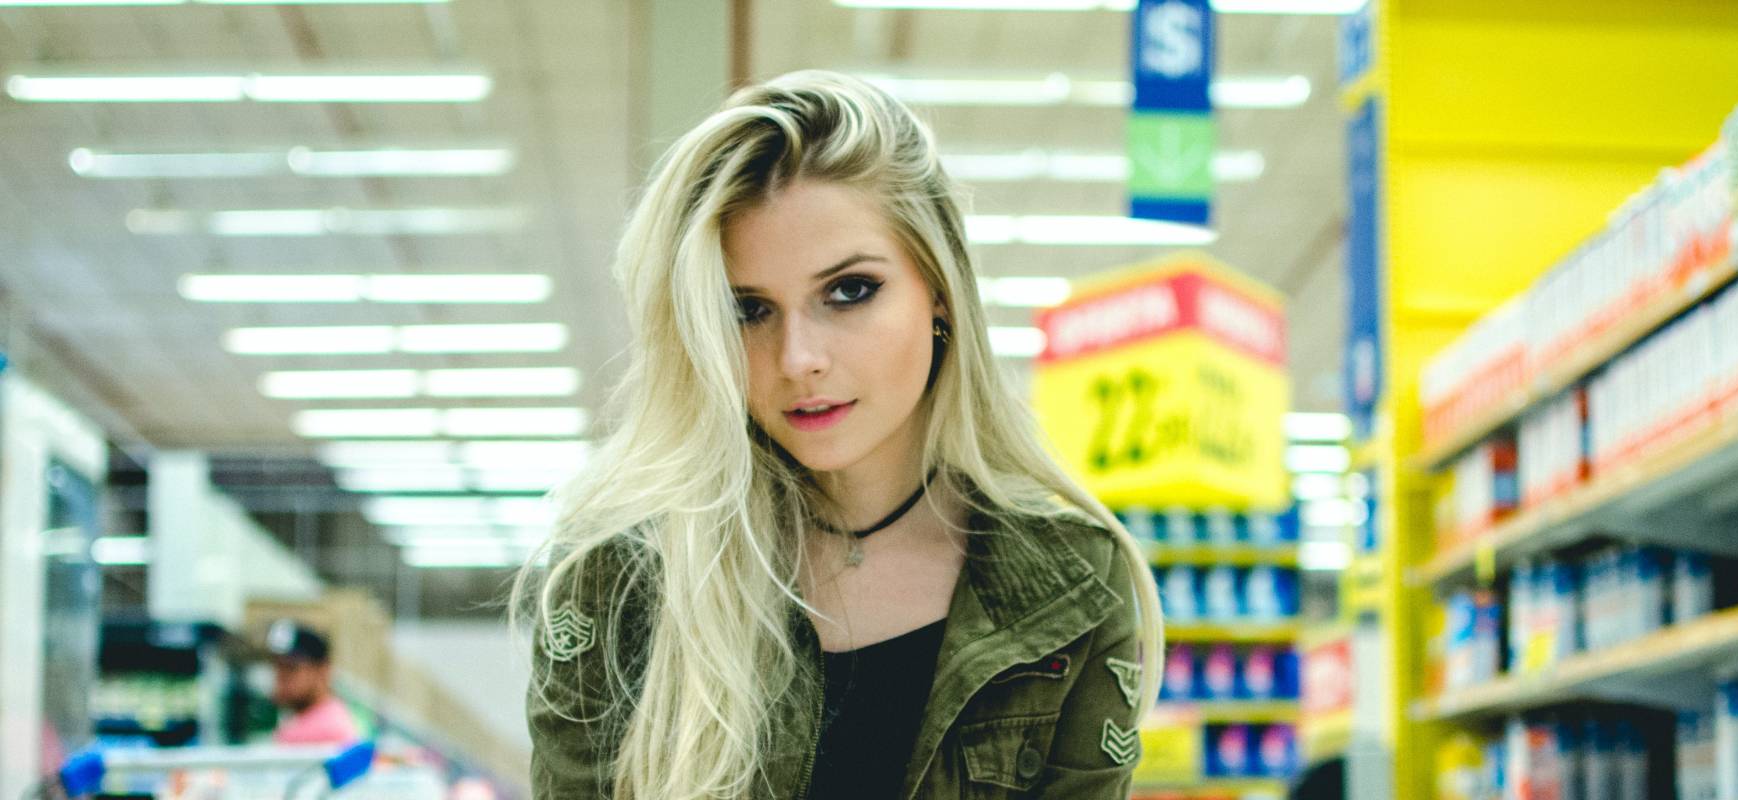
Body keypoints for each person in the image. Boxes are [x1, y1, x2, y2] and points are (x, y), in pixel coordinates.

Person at [517, 70, 1165, 799]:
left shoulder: (1069, 582)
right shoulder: (620, 575)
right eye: (748, 311)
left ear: (941, 290)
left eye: (849, 291)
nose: (798, 360)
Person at [264, 619, 360, 747]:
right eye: (277, 667)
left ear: (323, 670)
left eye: (291, 668)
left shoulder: (328, 729)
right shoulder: (312, 719)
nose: (280, 677)